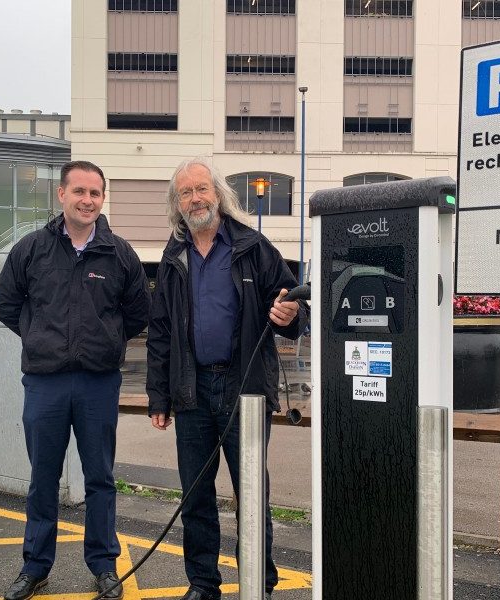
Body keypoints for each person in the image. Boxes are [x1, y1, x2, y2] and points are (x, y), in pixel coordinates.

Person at [146, 157, 308, 600]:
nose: (195, 198)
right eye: (186, 192)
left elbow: (293, 306)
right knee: (196, 497)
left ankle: (259, 582)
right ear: (177, 204)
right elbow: (160, 333)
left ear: (218, 194)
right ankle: (203, 584)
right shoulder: (173, 256)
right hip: (191, 390)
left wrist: (290, 314)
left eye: (202, 189)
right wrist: (159, 396)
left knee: (252, 494)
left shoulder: (253, 246)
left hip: (245, 390)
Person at [0, 160, 150, 600]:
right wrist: (42, 337)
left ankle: (103, 565)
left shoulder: (120, 254)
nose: (87, 200)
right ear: (60, 195)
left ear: (102, 199)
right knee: (42, 478)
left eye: (95, 193)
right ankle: (35, 567)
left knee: (100, 477)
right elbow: (6, 304)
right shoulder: (31, 250)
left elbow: (138, 313)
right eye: (79, 191)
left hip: (98, 384)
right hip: (45, 383)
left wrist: (105, 342)